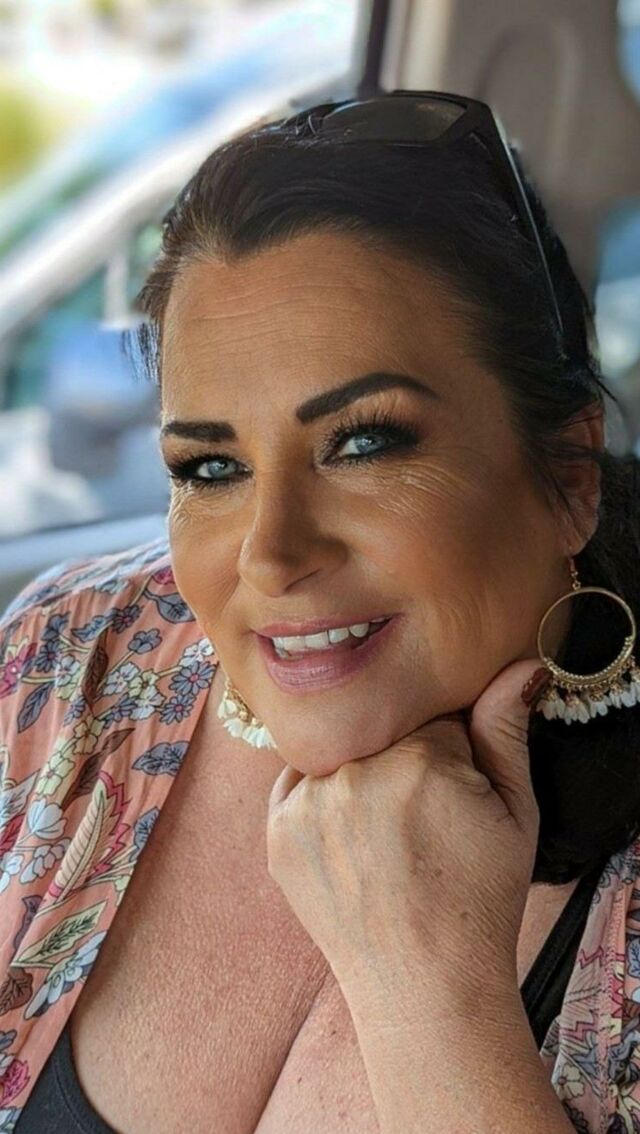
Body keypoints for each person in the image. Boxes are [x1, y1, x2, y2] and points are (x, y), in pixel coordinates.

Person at [1, 89, 640, 1133]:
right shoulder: (67, 665)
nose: (270, 554)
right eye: (211, 467)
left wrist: (426, 992)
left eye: (363, 444)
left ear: (568, 475)